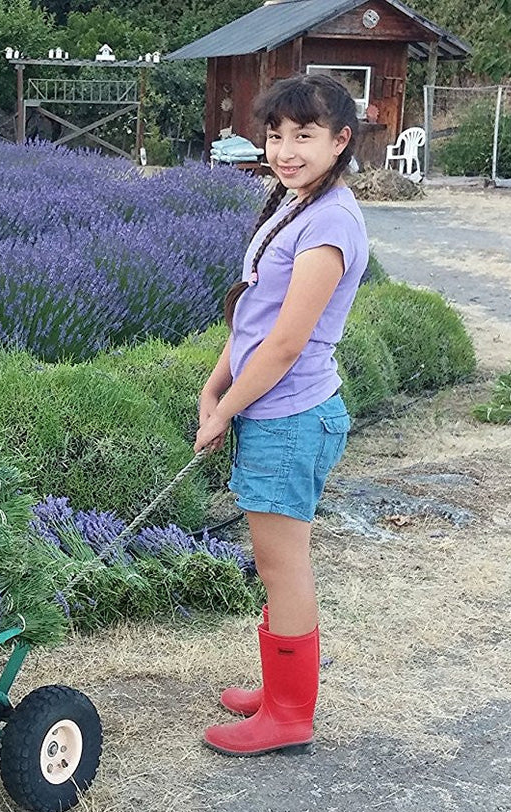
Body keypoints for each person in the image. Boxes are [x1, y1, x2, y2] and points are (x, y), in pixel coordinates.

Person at [193, 74, 368, 757]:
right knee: (275, 565)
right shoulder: (296, 203)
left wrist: (224, 412)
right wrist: (214, 389)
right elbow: (253, 319)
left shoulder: (329, 222)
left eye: (304, 136)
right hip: (272, 410)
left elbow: (287, 342)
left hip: (290, 416)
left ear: (339, 140)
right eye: (275, 136)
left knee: (282, 567)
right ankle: (278, 688)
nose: (286, 150)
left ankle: (289, 714)